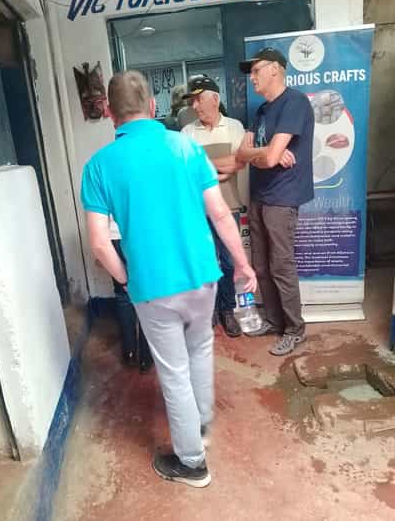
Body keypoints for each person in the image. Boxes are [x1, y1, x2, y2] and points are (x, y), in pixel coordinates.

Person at [81, 70, 256, 488]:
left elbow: (100, 245)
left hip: (153, 287)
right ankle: (201, 424)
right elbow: (220, 214)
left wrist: (127, 280)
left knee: (174, 371)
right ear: (152, 106)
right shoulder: (186, 147)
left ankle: (192, 463)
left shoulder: (99, 166)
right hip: (203, 276)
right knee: (200, 350)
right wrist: (243, 264)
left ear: (109, 113)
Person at [237, 47, 314, 356]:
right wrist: (266, 153)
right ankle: (273, 320)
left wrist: (265, 154)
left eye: (256, 70)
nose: (252, 77)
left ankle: (295, 330)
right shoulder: (261, 111)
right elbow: (243, 154)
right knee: (260, 265)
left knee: (281, 266)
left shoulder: (294, 103)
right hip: (259, 195)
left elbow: (266, 158)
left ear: (275, 69)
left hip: (283, 197)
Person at [181, 75, 246, 338]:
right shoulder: (187, 132)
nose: (194, 106)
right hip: (198, 210)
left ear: (215, 99)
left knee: (229, 262)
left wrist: (204, 165)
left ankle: (227, 309)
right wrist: (221, 167)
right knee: (204, 262)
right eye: (192, 101)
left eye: (199, 99)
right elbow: (187, 171)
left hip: (229, 207)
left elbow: (239, 162)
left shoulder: (234, 127)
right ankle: (208, 311)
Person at [109, 217, 153, 373]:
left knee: (123, 297)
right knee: (147, 298)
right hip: (142, 234)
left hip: (113, 236)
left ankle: (129, 353)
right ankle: (146, 357)